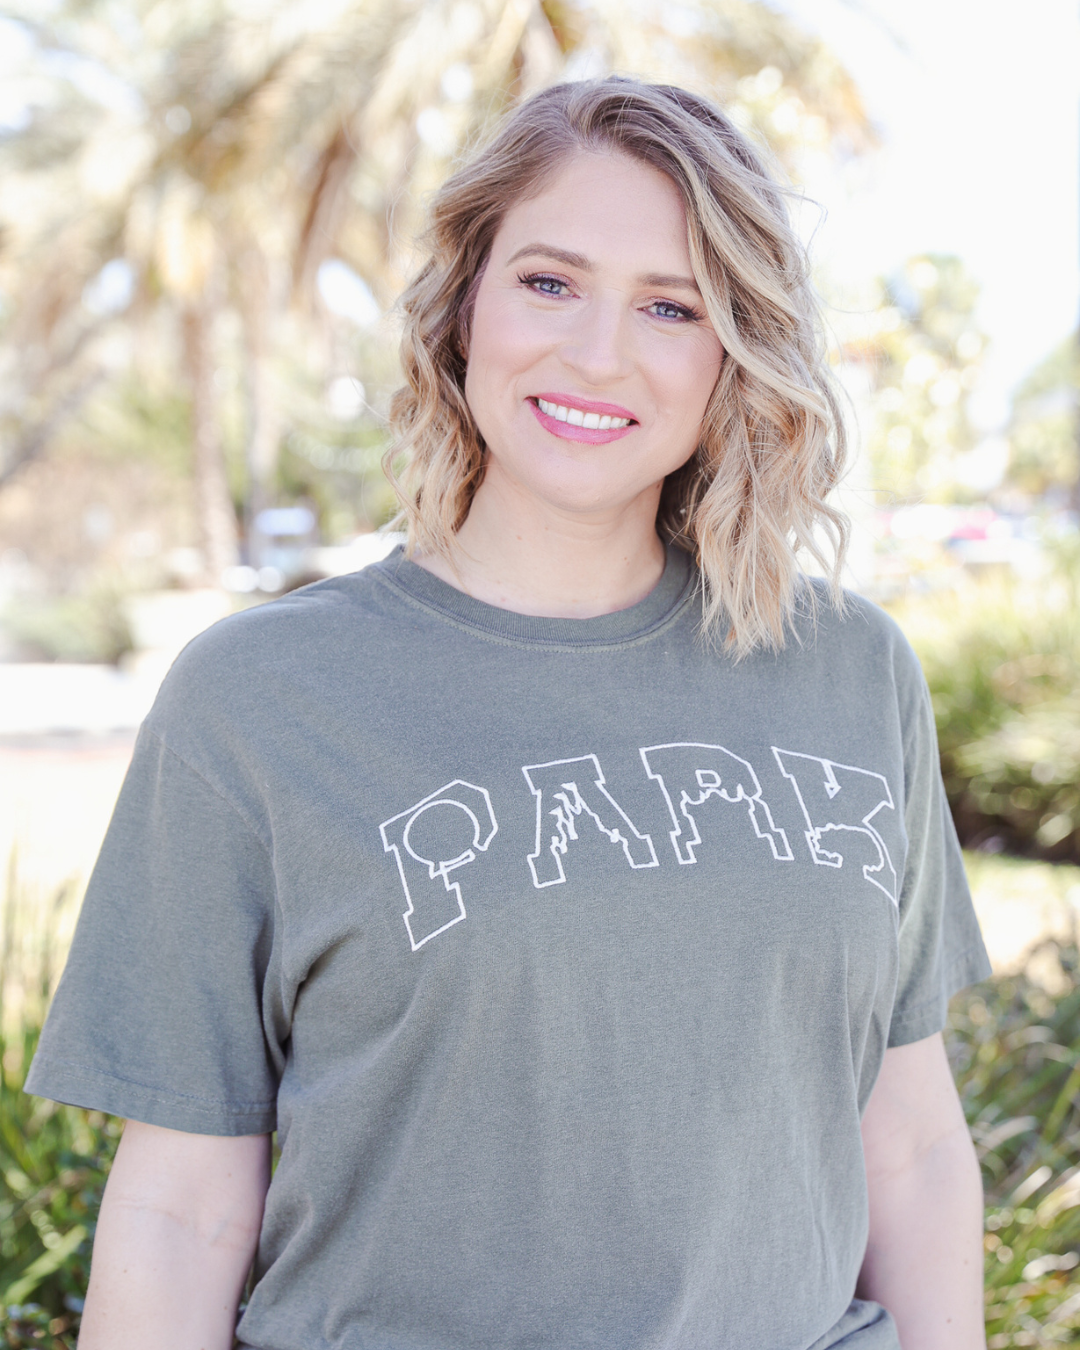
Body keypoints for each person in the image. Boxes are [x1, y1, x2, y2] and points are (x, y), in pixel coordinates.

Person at [27, 77, 990, 1350]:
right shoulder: (259, 700)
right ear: (463, 305)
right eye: (549, 282)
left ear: (732, 349)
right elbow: (183, 1207)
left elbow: (911, 1143)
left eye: (670, 305)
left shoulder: (850, 673)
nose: (599, 353)